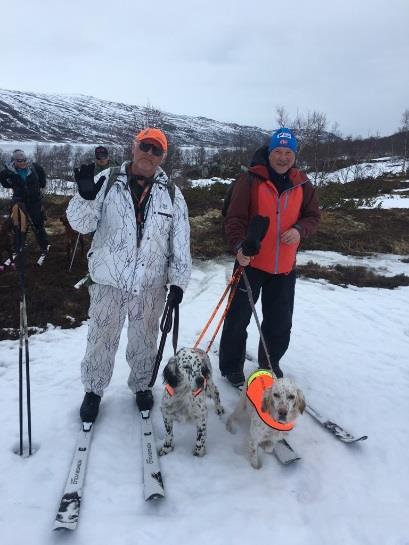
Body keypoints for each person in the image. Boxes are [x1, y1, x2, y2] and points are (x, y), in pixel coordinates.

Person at [67, 128, 191, 421]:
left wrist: (178, 284)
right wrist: (85, 198)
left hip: (151, 285)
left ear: (163, 156)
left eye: (156, 150)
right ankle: (94, 390)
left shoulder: (172, 194)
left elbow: (181, 244)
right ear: (134, 147)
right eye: (145, 146)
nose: (149, 154)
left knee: (145, 339)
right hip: (108, 281)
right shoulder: (106, 181)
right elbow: (80, 224)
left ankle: (142, 386)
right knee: (101, 338)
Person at [219, 128, 321, 388]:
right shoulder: (250, 180)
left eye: (288, 152)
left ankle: (270, 363)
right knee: (236, 319)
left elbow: (313, 217)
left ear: (295, 155)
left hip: (284, 268)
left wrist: (299, 230)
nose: (283, 157)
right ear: (269, 152)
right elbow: (235, 218)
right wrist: (240, 247)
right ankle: (232, 366)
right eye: (278, 151)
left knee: (280, 323)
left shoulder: (303, 183)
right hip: (249, 262)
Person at [0, 149, 49, 257]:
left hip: (34, 201)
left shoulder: (35, 167)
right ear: (14, 161)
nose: (22, 163)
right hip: (19, 201)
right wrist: (11, 185)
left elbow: (42, 180)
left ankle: (44, 246)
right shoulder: (9, 170)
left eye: (24, 160)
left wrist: (38, 188)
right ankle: (19, 245)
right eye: (19, 161)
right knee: (18, 225)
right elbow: (3, 179)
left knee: (38, 224)